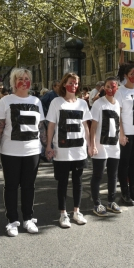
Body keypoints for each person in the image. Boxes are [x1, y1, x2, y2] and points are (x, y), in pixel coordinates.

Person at [0, 68, 45, 236]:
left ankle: (28, 218)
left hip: (33, 150)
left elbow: (41, 127)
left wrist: (49, 146)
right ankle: (12, 220)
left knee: (29, 186)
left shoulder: (37, 101)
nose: (24, 82)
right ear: (14, 82)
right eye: (20, 78)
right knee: (11, 186)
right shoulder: (5, 101)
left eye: (27, 78)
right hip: (10, 152)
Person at [45, 73, 92, 228]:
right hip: (62, 151)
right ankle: (63, 213)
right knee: (63, 183)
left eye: (76, 83)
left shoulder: (83, 104)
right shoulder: (56, 102)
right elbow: (51, 126)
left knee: (78, 182)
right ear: (64, 84)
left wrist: (90, 144)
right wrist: (48, 145)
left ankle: (76, 211)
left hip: (79, 150)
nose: (74, 85)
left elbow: (85, 126)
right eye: (71, 82)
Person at [88, 77, 122, 216]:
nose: (110, 89)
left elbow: (118, 123)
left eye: (113, 86)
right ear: (103, 87)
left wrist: (122, 137)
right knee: (98, 174)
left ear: (117, 88)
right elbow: (93, 126)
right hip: (100, 145)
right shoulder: (98, 104)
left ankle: (111, 201)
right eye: (107, 86)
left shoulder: (117, 103)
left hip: (114, 145)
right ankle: (97, 203)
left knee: (113, 175)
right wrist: (92, 144)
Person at [114, 64, 134, 206]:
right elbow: (118, 114)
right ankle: (124, 193)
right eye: (132, 74)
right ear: (126, 75)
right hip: (126, 133)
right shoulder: (120, 92)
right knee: (124, 163)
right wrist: (121, 133)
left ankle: (133, 191)